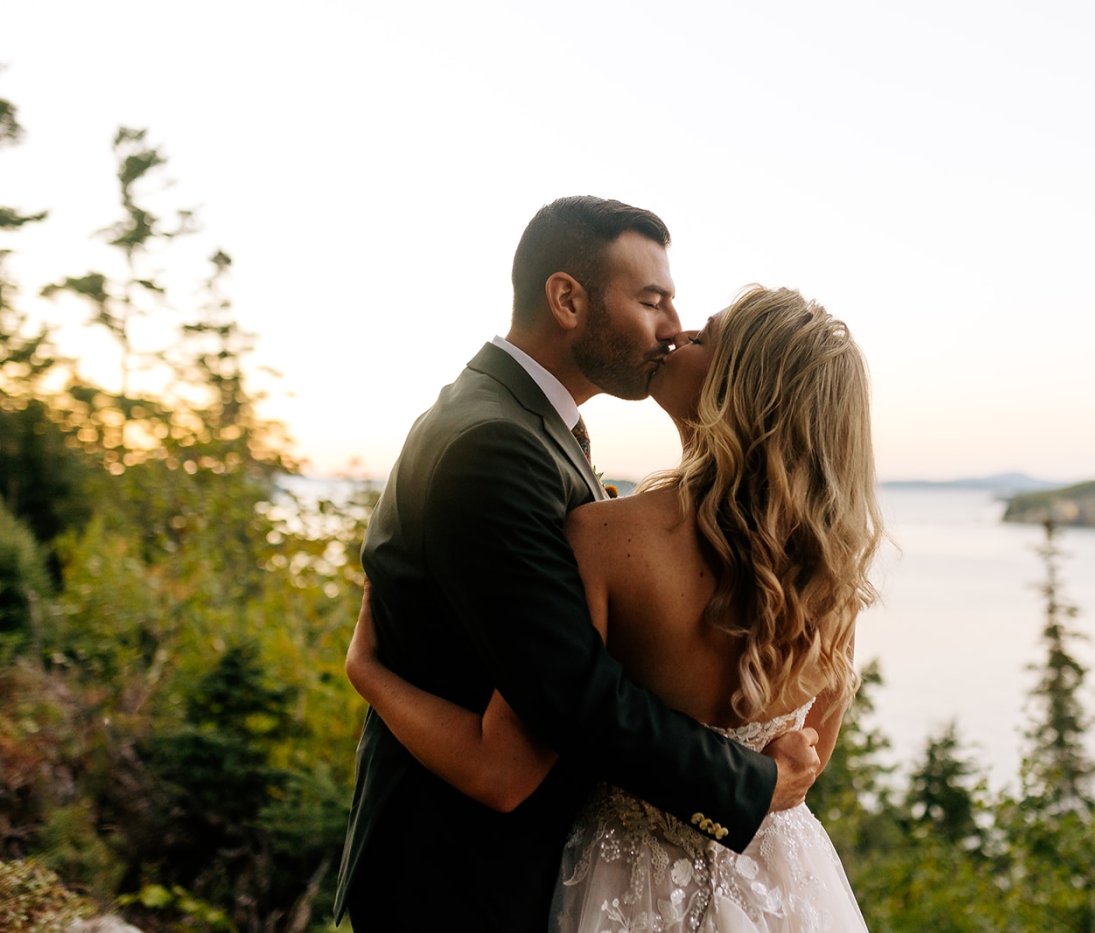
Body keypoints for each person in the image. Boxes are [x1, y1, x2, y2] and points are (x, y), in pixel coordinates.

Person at [334, 199, 823, 930]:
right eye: (651, 299)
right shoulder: (493, 445)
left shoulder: (529, 424)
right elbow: (572, 690)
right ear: (567, 299)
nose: (671, 327)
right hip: (457, 876)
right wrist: (749, 783)